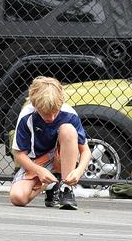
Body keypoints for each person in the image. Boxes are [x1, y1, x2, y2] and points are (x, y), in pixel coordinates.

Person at [9, 76, 91, 210]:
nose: (51, 118)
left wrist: (78, 171)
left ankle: (66, 189)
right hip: (38, 161)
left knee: (68, 130)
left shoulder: (69, 114)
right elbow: (19, 155)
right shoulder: (26, 116)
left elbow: (85, 151)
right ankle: (51, 186)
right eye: (46, 113)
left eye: (55, 112)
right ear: (35, 105)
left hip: (62, 157)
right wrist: (39, 171)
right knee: (18, 197)